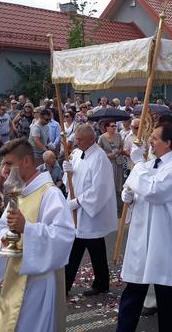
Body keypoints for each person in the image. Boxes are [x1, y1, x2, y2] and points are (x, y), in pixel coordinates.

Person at [117, 124, 172, 332]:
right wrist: (128, 196)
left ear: (167, 143)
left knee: (165, 294)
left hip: (163, 239)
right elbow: (138, 186)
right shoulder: (150, 164)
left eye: (155, 138)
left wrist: (137, 164)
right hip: (143, 238)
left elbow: (155, 191)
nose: (150, 141)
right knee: (133, 291)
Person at [0, 138, 75, 332]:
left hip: (38, 280)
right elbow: (3, 224)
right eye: (4, 164)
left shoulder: (50, 194)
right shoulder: (19, 191)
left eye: (9, 164)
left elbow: (64, 235)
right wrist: (6, 236)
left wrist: (26, 229)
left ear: (27, 161)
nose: (4, 169)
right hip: (16, 273)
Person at [62, 123, 117, 296]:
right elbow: (70, 181)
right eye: (76, 139)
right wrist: (67, 172)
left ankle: (66, 285)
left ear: (91, 139)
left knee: (83, 247)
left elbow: (100, 188)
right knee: (91, 248)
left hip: (89, 211)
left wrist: (78, 201)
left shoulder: (100, 158)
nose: (76, 142)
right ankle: (100, 283)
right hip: (78, 211)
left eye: (80, 139)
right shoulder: (77, 154)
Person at [98, 120, 126, 202]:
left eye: (115, 126)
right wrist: (107, 155)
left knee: (118, 179)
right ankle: (108, 196)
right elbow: (98, 151)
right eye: (112, 126)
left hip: (118, 161)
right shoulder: (102, 137)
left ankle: (117, 197)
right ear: (107, 127)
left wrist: (119, 151)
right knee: (110, 179)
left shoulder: (118, 135)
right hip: (108, 162)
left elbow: (121, 146)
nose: (114, 127)